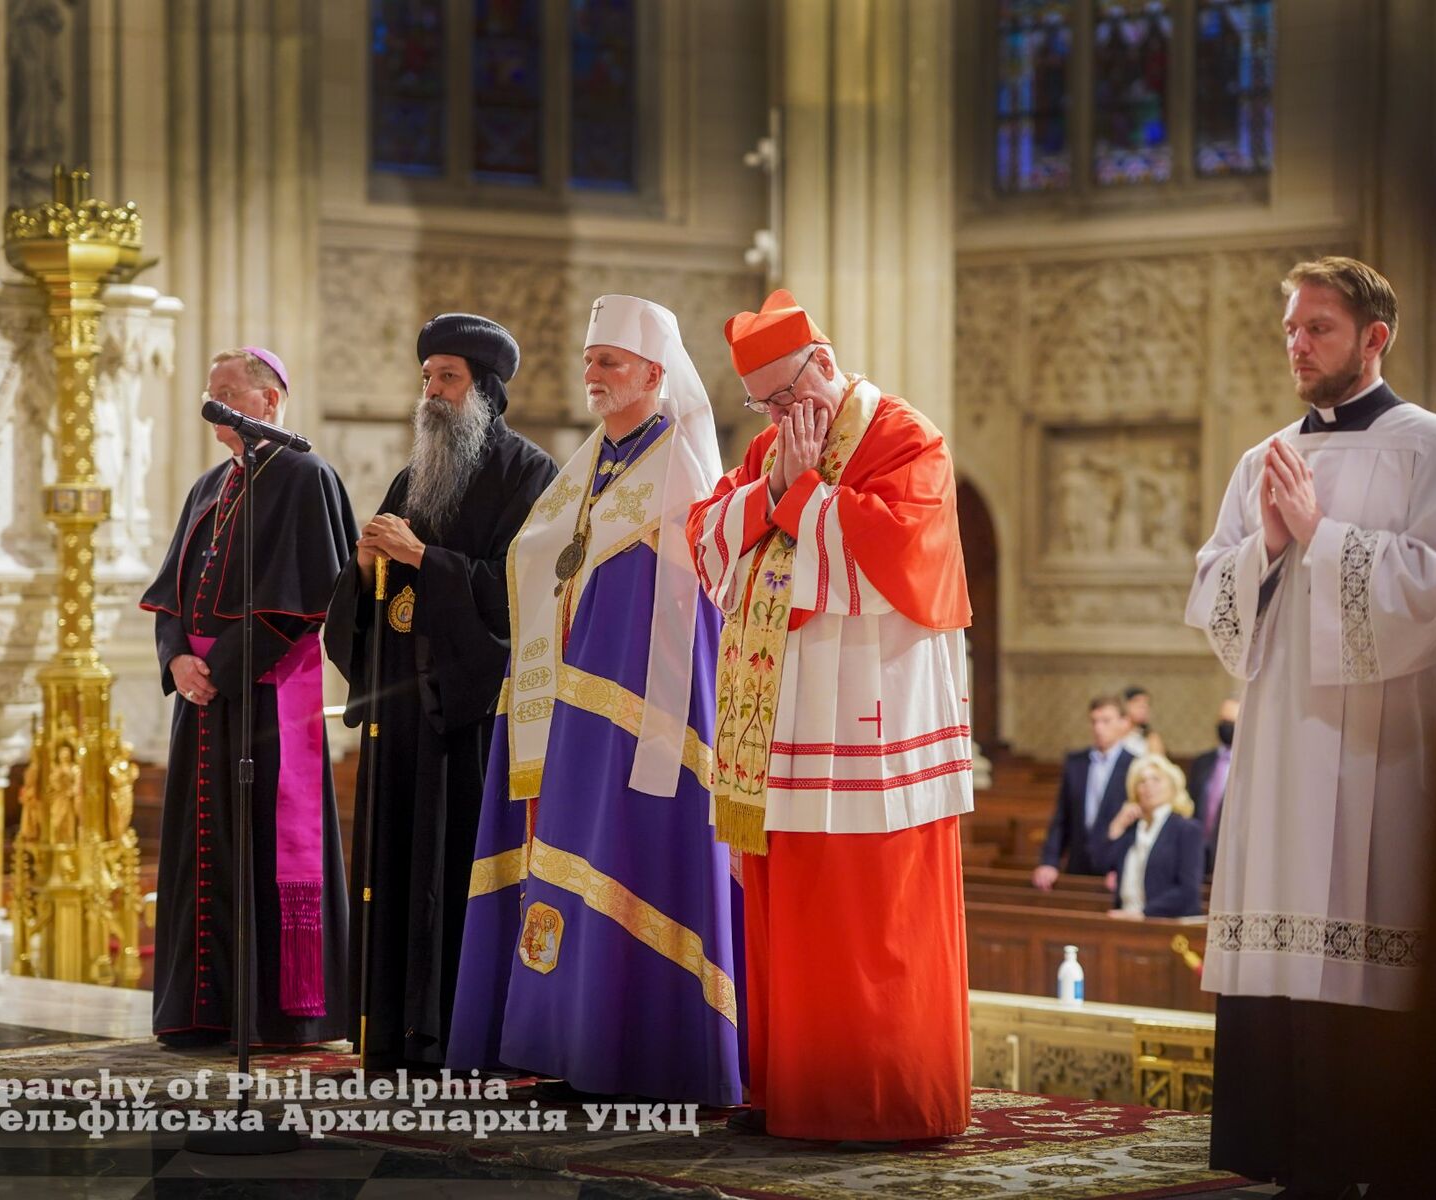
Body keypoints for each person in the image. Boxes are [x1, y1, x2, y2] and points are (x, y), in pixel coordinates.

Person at [1184, 257, 1436, 1196]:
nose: (1297, 344)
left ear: (1374, 339)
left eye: (1317, 327)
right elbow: (1210, 598)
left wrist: (1324, 537)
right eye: (1290, 328)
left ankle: (1373, 1155)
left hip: (1382, 752)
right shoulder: (1262, 460)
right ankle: (1282, 1148)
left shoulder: (1433, 449)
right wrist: (1270, 548)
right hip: (1283, 750)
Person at [687, 288, 974, 1142]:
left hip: (870, 713)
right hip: (778, 717)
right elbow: (705, 538)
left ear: (823, 361)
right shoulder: (773, 447)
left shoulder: (907, 437)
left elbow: (898, 559)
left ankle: (881, 1100)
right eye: (763, 406)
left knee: (867, 917)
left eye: (787, 396)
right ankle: (789, 1091)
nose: (779, 416)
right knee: (786, 920)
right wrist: (774, 485)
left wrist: (797, 494)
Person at [448, 295, 739, 1105]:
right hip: (565, 709)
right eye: (589, 361)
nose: (593, 375)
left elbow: (686, 613)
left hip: (641, 720)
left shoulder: (678, 469)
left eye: (610, 362)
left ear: (654, 372)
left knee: (620, 864)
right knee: (562, 869)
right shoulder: (591, 466)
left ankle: (634, 1056)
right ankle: (565, 1046)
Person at [325, 314, 558, 1069]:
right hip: (400, 722)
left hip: (471, 722)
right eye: (426, 377)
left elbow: (522, 599)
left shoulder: (532, 477)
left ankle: (461, 1038)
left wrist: (426, 558)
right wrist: (362, 573)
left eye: (447, 378)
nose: (431, 393)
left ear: (485, 391)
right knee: (396, 876)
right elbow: (368, 609)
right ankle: (392, 1035)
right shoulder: (411, 478)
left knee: (456, 875)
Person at [138, 347, 356, 1048]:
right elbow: (172, 591)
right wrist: (176, 661)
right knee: (200, 856)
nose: (214, 404)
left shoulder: (304, 476)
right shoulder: (210, 485)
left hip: (261, 705)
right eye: (210, 391)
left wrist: (219, 671)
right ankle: (203, 1011)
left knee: (262, 848)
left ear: (268, 402)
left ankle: (272, 1017)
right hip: (199, 704)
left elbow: (302, 600)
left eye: (228, 391)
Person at [1031, 695, 1136, 889]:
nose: (1098, 728)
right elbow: (1062, 817)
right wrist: (1049, 861)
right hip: (1077, 863)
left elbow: (1137, 827)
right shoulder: (1076, 762)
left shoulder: (1135, 765)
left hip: (1114, 868)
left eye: (1106, 721)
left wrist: (1123, 868)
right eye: (1094, 721)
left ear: (1124, 722)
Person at [1100, 754, 1205, 919]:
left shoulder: (1187, 829)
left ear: (1172, 786)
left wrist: (1143, 914)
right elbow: (1101, 864)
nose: (1148, 786)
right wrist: (1116, 827)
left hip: (1165, 924)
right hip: (1125, 920)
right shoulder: (1131, 830)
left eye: (1156, 779)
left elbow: (1188, 891)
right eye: (1142, 782)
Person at [1185, 697, 1237, 872]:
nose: (1226, 726)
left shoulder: (1251, 765)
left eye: (1232, 722)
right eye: (1223, 721)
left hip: (1230, 855)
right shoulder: (1202, 762)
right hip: (1198, 853)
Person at [1120, 685, 1166, 758]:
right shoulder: (1116, 734)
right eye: (1139, 706)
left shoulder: (1151, 738)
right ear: (1125, 705)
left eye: (1146, 706)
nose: (1144, 710)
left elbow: (1157, 762)